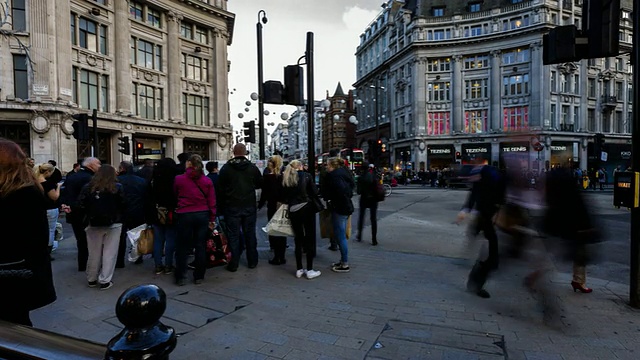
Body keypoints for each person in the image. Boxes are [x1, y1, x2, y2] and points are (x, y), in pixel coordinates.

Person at [0, 139, 56, 326]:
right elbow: (38, 241)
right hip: (15, 275)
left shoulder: (24, 194)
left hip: (11, 276)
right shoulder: (28, 191)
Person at [455, 160, 505, 299]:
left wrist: (465, 210)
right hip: (489, 218)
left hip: (489, 217)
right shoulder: (489, 173)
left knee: (491, 255)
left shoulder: (488, 173)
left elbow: (475, 193)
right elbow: (477, 193)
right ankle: (475, 283)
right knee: (491, 256)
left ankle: (475, 281)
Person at [77, 165, 127, 290]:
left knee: (93, 252)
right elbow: (124, 204)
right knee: (110, 252)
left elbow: (80, 204)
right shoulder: (117, 187)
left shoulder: (88, 187)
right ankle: (105, 280)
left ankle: (91, 278)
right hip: (114, 223)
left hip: (93, 223)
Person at [217, 143, 263, 272]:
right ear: (245, 153)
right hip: (248, 205)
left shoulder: (226, 168)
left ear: (233, 152)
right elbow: (260, 183)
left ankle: (234, 263)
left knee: (233, 235)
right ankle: (252, 261)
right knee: (250, 234)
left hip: (231, 206)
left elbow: (220, 189)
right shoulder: (252, 168)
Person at [173, 154, 216, 285]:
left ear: (189, 164)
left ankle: (181, 276)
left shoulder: (179, 179)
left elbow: (175, 194)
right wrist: (212, 218)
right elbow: (212, 201)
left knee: (182, 246)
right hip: (202, 214)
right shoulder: (207, 181)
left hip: (184, 214)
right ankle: (199, 276)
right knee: (200, 246)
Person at [282, 160, 322, 279]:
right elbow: (315, 192)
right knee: (309, 239)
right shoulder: (306, 176)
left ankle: (299, 269)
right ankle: (309, 270)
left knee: (298, 239)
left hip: (293, 210)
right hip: (306, 208)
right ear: (300, 166)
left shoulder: (287, 177)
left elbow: (284, 196)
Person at [60, 157, 101, 272]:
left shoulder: (72, 176)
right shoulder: (91, 179)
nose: (99, 166)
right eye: (98, 164)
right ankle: (91, 265)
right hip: (87, 214)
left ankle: (82, 264)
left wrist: (65, 205)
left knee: (81, 240)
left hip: (73, 213)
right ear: (91, 165)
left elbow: (65, 193)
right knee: (92, 241)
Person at [145, 158, 178, 275]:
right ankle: (168, 265)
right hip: (170, 212)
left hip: (156, 213)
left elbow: (148, 198)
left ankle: (158, 265)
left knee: (158, 240)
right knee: (170, 239)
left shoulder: (153, 180)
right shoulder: (174, 179)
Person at [325, 157, 355, 273]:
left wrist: (331, 200)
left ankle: (344, 263)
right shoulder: (344, 173)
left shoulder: (335, 176)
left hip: (340, 208)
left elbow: (340, 191)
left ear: (333, 165)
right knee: (340, 235)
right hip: (346, 207)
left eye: (327, 164)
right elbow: (350, 188)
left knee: (340, 236)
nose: (326, 166)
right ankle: (343, 260)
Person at [116, 161, 148, 268]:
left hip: (121, 212)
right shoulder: (141, 181)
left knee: (120, 238)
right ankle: (137, 257)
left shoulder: (117, 181)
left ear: (122, 169)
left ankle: (119, 260)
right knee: (137, 236)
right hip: (138, 211)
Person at [259, 155, 287, 265]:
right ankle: (282, 256)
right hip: (282, 205)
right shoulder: (284, 176)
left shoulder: (268, 177)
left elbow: (264, 194)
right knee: (282, 230)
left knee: (274, 230)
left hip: (272, 206)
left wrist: (260, 205)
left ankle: (277, 256)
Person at [36, 163, 62, 259]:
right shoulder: (47, 183)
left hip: (41, 208)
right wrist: (58, 187)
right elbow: (54, 197)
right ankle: (48, 251)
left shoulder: (35, 181)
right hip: (50, 208)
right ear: (47, 172)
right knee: (51, 230)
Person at [356, 163, 379, 246]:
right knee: (373, 219)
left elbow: (358, 191)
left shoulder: (360, 178)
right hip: (373, 199)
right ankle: (374, 239)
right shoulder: (373, 176)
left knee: (361, 217)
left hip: (364, 199)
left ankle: (359, 235)